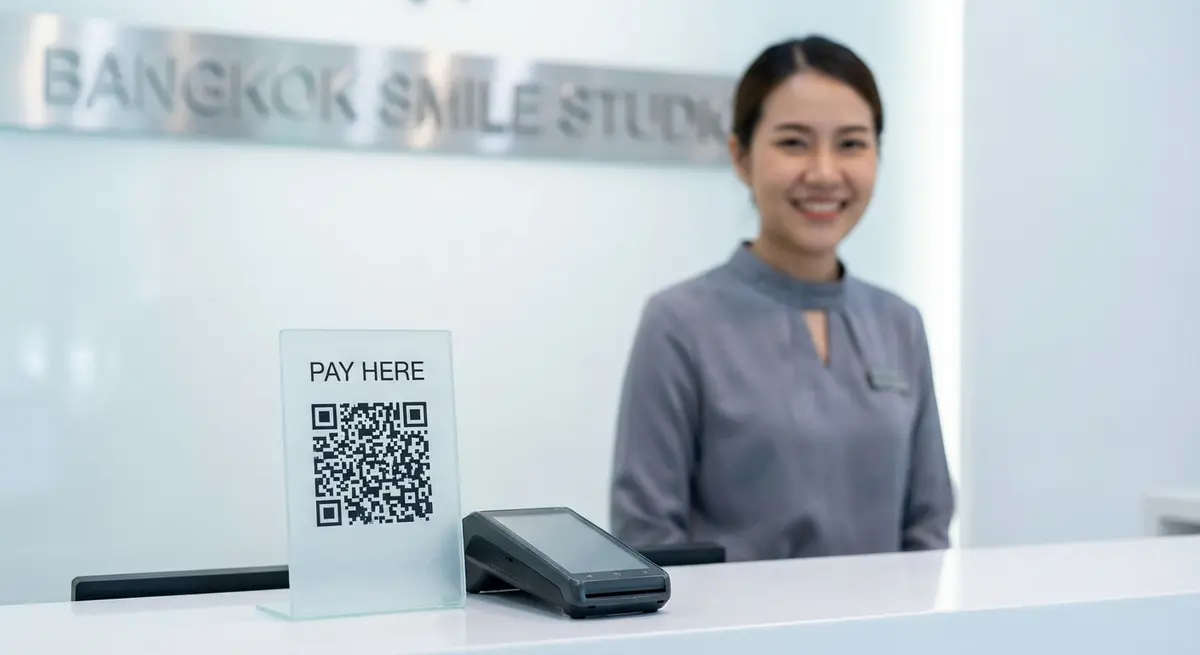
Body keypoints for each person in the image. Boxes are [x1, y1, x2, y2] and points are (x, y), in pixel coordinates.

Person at [608, 35, 955, 562]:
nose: (823, 172)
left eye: (851, 144)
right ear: (741, 157)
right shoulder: (680, 323)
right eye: (794, 142)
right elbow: (648, 539)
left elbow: (929, 530)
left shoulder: (899, 323)